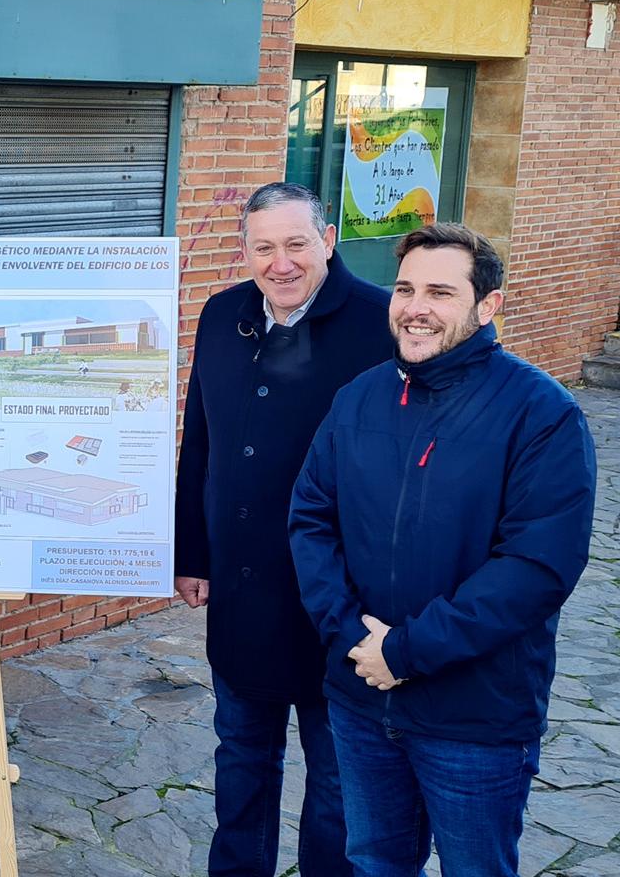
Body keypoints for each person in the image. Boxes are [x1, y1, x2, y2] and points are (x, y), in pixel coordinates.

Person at [289, 223, 596, 877]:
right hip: (362, 698)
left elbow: (536, 569)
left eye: (440, 292)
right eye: (404, 289)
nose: (415, 307)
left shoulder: (541, 414)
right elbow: (311, 519)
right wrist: (351, 639)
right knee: (374, 864)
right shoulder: (360, 397)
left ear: (488, 306)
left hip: (474, 718)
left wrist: (406, 651)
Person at [174, 181, 393, 876]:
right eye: (264, 247)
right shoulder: (221, 315)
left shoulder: (381, 323)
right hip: (241, 589)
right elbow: (200, 442)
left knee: (336, 785)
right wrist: (192, 552)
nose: (281, 263)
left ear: (327, 241)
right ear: (246, 252)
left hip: (343, 600)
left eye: (296, 243)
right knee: (242, 760)